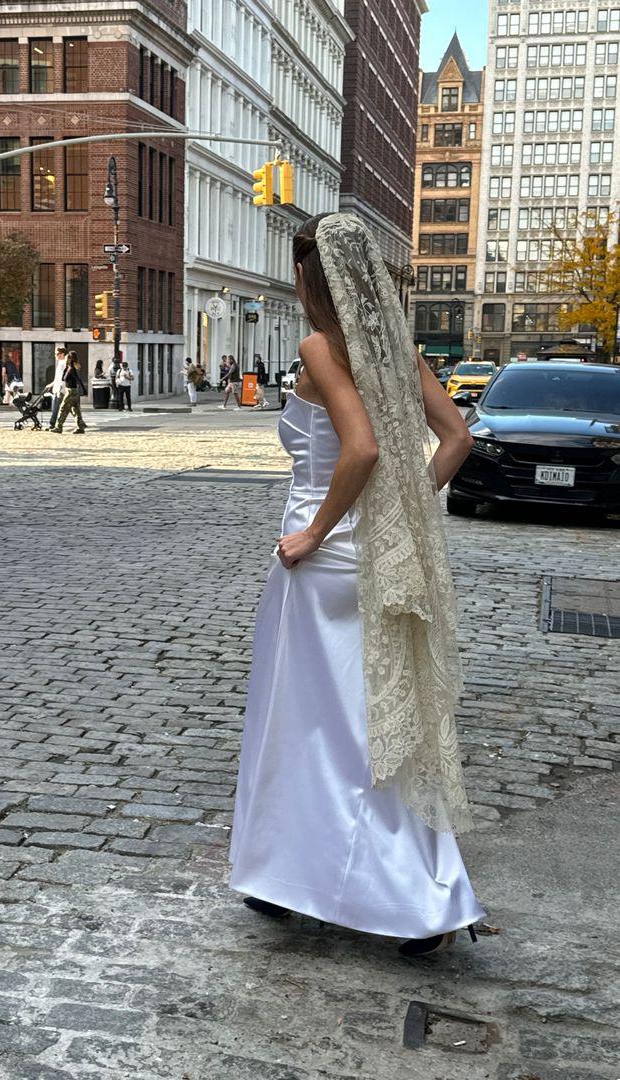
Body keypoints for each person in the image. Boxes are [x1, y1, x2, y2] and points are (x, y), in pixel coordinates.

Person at [229, 212, 484, 958]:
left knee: (307, 727)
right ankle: (407, 890)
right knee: (370, 727)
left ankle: (296, 874)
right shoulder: (393, 351)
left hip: (318, 562)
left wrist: (315, 533)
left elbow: (362, 448)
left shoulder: (318, 346)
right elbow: (459, 438)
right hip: (371, 552)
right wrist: (405, 514)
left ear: (314, 279)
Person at [50, 351, 86, 434]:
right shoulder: (71, 367)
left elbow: (67, 378)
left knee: (63, 409)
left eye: (67, 358)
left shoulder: (71, 368)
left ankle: (58, 427)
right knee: (76, 410)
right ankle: (80, 427)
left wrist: (84, 389)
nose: (66, 359)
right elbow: (69, 379)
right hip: (74, 391)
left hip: (71, 391)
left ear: (70, 359)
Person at [45, 347, 68, 428]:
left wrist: (59, 388)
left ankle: (52, 423)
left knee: (56, 407)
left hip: (60, 389)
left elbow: (62, 378)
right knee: (69, 407)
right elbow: (57, 378)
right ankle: (80, 423)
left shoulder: (63, 364)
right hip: (59, 388)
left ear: (62, 354)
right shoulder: (61, 363)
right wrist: (51, 385)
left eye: (57, 354)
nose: (55, 355)